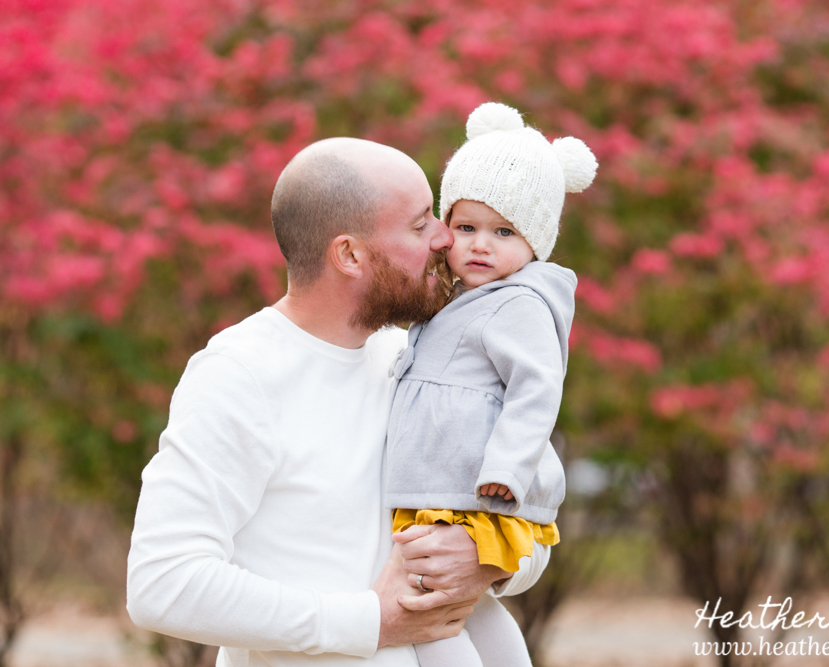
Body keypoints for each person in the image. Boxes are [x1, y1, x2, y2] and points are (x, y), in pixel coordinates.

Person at [126, 137, 551, 667]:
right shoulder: (239, 375)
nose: (446, 238)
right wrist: (368, 622)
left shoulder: (418, 359)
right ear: (349, 254)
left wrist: (488, 560)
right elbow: (162, 583)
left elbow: (532, 524)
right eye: (421, 225)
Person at [384, 103, 598, 667]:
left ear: (537, 243)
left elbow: (537, 389)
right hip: (453, 484)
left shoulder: (519, 303)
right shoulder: (462, 299)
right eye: (466, 227)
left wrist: (507, 466)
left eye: (505, 231)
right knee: (474, 609)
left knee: (431, 608)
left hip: (472, 488)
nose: (481, 245)